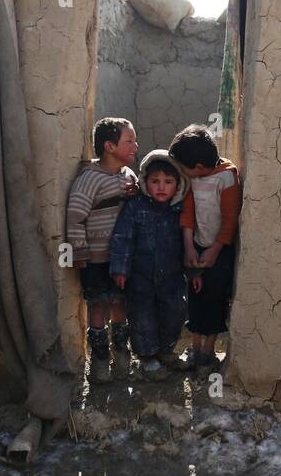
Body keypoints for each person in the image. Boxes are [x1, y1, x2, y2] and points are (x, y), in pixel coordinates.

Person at [66, 117, 139, 382]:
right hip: (96, 259)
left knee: (120, 303)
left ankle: (122, 355)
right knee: (98, 307)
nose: (135, 146)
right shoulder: (90, 179)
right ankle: (99, 362)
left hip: (121, 259)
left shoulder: (129, 176)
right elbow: (75, 215)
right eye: (129, 141)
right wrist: (79, 250)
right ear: (109, 146)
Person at [109, 150, 191, 381]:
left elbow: (189, 241)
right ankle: (146, 358)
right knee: (142, 316)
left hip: (173, 277)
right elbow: (122, 237)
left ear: (179, 184)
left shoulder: (180, 210)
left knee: (174, 312)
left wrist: (193, 270)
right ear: (144, 182)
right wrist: (120, 268)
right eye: (155, 181)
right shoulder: (135, 207)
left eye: (168, 182)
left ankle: (165, 351)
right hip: (140, 277)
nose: (161, 187)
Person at [170, 124, 241, 370]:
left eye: (185, 168)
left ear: (199, 167)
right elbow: (188, 213)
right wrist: (190, 248)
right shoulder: (192, 178)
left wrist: (215, 250)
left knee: (215, 298)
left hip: (220, 252)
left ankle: (208, 352)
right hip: (198, 248)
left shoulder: (227, 175)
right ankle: (196, 347)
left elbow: (230, 219)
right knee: (196, 298)